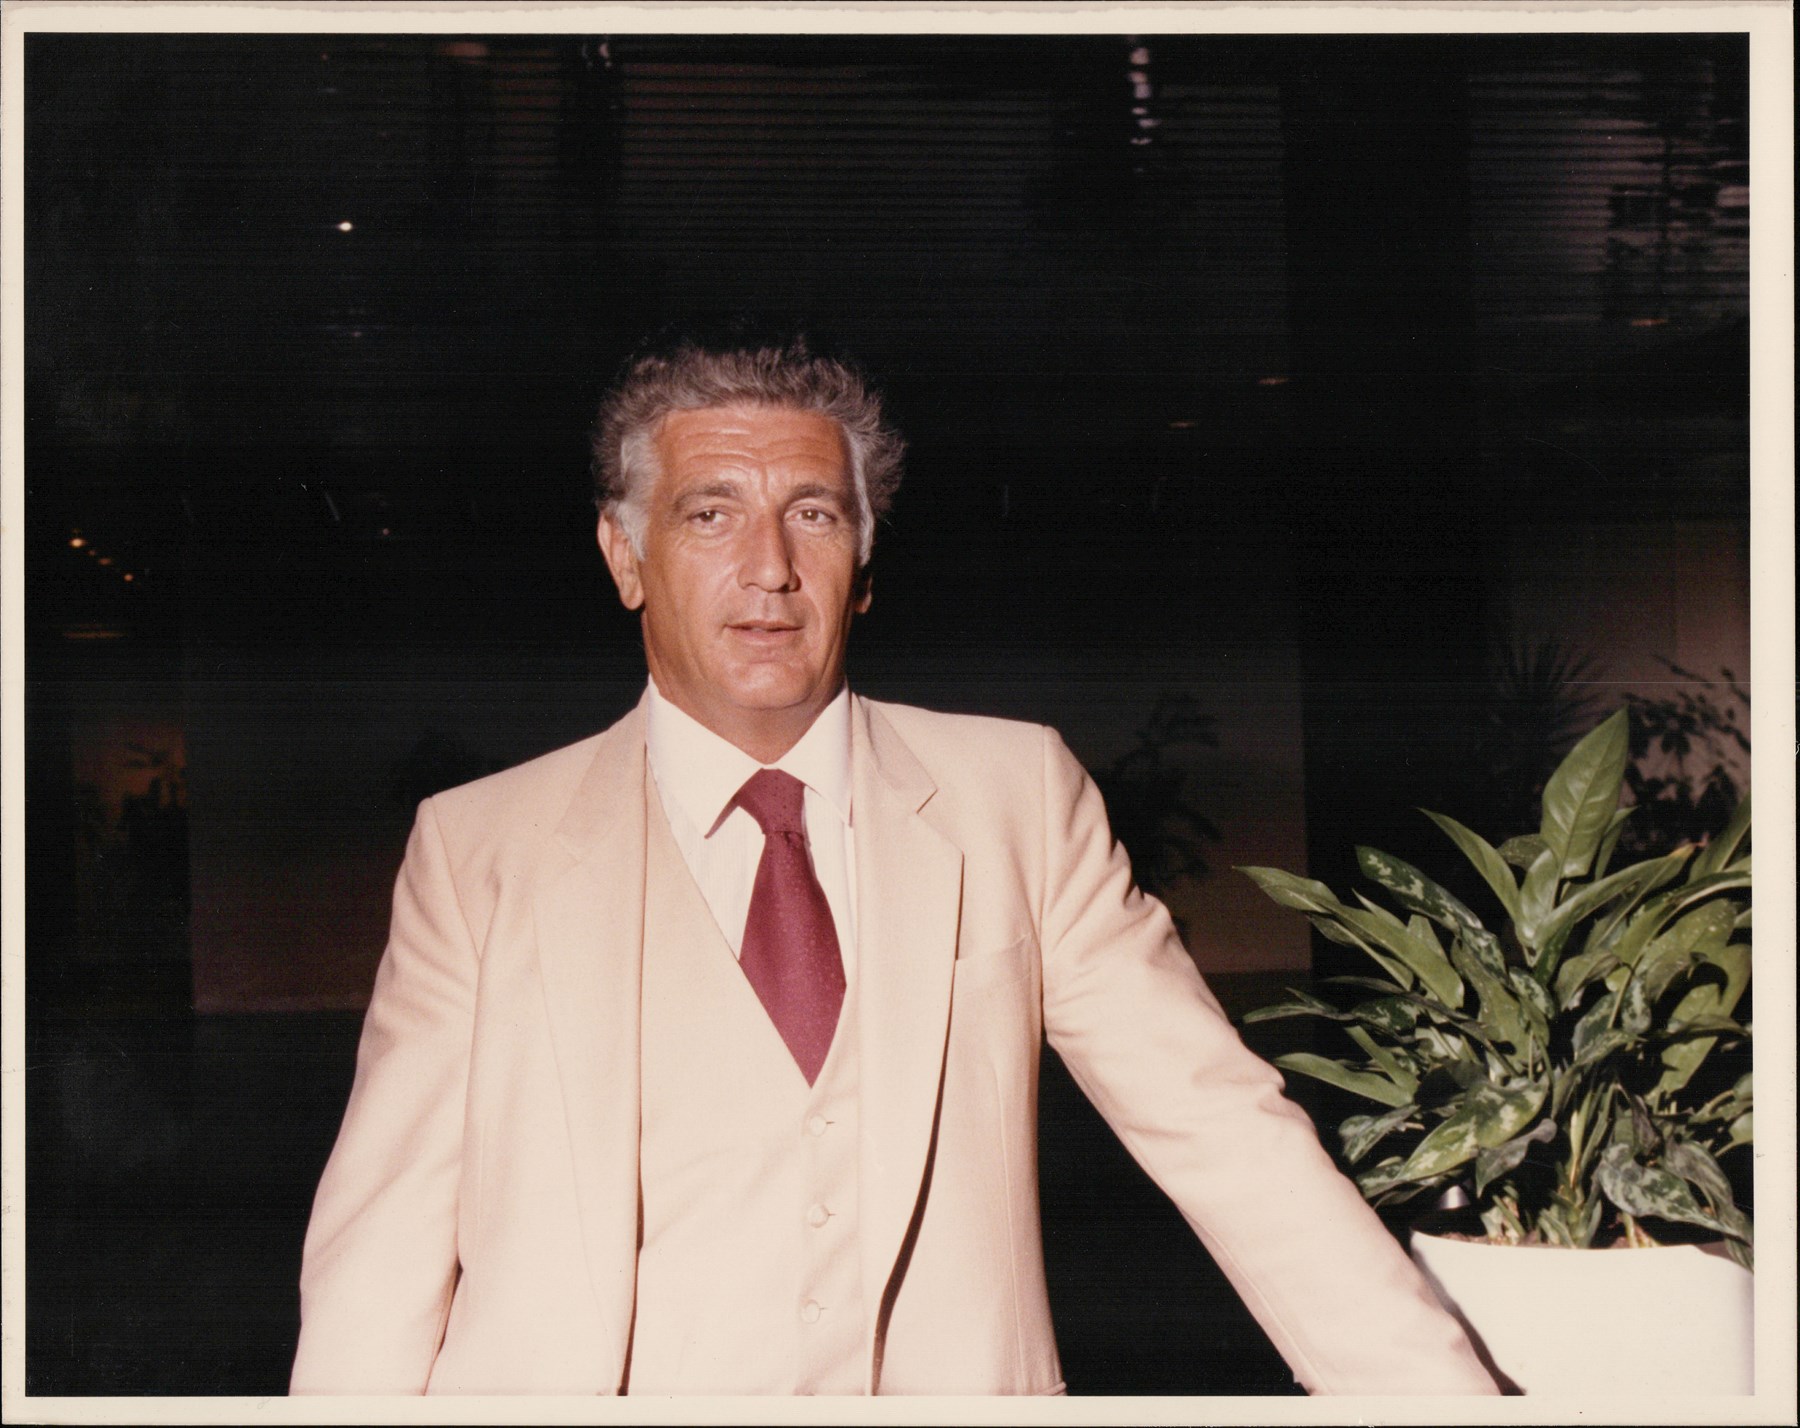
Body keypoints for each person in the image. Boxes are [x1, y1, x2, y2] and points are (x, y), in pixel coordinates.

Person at [289, 325, 1499, 1397]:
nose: (770, 567)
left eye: (814, 514)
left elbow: (1226, 1135)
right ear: (624, 555)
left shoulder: (1015, 797)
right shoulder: (480, 848)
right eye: (710, 514)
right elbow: (378, 1262)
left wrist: (1448, 1405)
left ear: (864, 564)